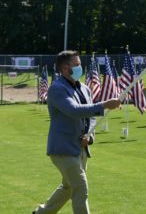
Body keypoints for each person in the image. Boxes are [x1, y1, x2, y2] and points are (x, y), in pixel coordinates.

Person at [33, 50, 120, 214]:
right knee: (80, 187)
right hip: (63, 149)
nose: (81, 67)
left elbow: (91, 116)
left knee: (68, 187)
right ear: (65, 68)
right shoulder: (57, 89)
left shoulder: (85, 89)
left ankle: (41, 212)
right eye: (77, 64)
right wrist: (104, 105)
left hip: (81, 149)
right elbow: (73, 110)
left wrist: (90, 135)